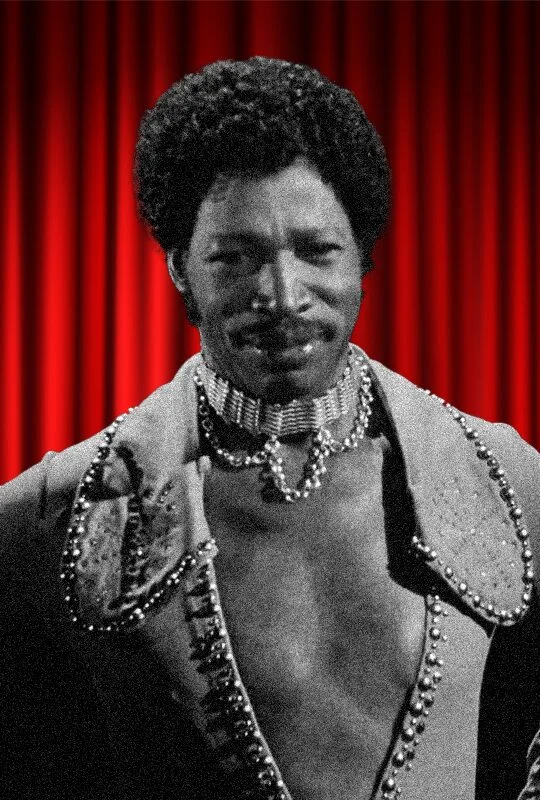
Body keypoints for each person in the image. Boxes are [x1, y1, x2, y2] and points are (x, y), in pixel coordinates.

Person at [0, 57, 539, 800]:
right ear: (179, 268)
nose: (283, 295)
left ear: (362, 256)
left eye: (316, 250)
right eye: (235, 258)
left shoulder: (507, 480)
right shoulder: (54, 516)